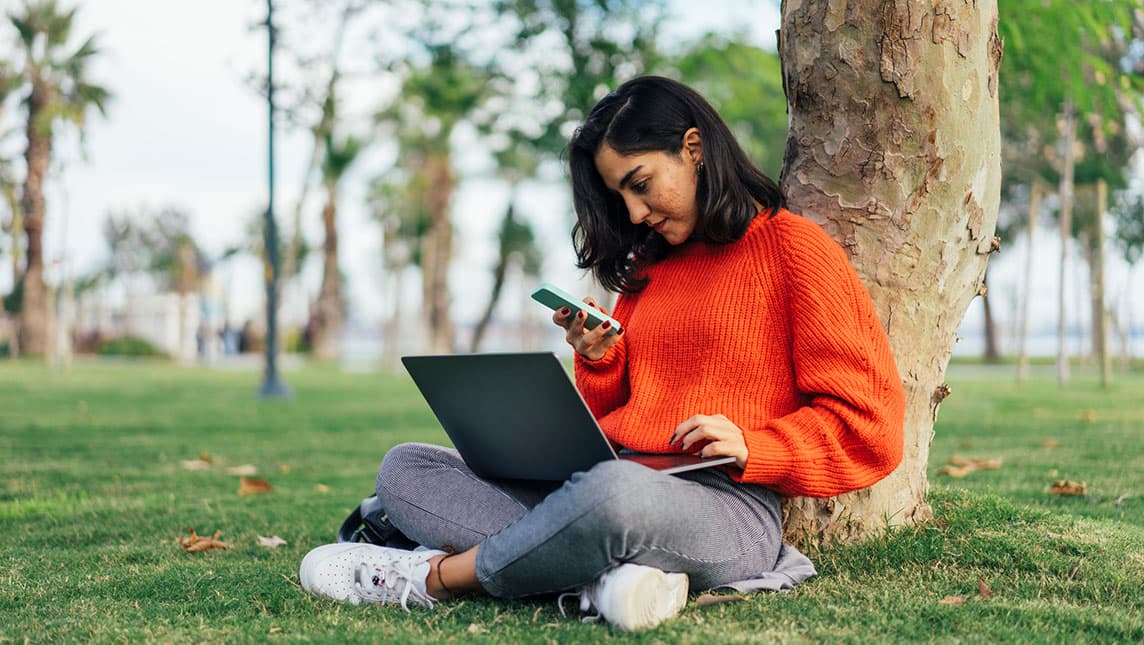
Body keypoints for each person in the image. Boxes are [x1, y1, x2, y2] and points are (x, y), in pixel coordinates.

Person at [298, 76, 906, 631]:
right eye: (621, 198)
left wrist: (757, 446)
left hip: (726, 508)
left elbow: (871, 426)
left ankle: (430, 577)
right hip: (603, 481)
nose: (635, 213)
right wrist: (599, 359)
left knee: (611, 496)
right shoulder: (651, 266)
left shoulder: (795, 251)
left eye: (640, 185)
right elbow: (615, 412)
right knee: (407, 467)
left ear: (693, 148)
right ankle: (603, 580)